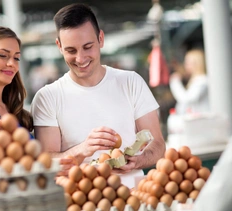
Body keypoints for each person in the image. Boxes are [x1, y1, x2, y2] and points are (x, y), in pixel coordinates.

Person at [30, 3, 165, 188]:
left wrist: (138, 161)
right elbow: (47, 162)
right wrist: (83, 149)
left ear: (100, 39)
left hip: (134, 198)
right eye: (71, 50)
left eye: (87, 47)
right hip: (82, 201)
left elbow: (157, 143)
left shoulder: (130, 82)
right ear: (59, 46)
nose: (80, 58)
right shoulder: (48, 97)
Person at [169, 48, 209, 115]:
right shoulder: (197, 80)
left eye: (188, 63)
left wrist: (175, 82)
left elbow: (186, 99)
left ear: (197, 64)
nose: (185, 65)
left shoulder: (202, 81)